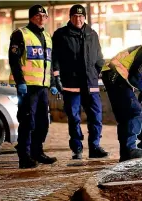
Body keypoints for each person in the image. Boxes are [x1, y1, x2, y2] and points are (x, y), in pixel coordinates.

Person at [52, 4, 108, 159]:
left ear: (85, 17)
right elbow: (54, 58)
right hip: (71, 83)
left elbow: (99, 57)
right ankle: (77, 148)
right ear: (70, 17)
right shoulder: (61, 35)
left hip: (91, 83)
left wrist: (98, 72)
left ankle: (94, 146)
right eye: (75, 16)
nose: (78, 19)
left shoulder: (92, 34)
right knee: (74, 117)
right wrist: (56, 77)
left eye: (81, 16)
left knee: (96, 116)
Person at [8, 5, 58, 168]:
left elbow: (48, 63)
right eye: (38, 15)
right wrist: (20, 81)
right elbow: (14, 60)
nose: (41, 17)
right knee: (28, 121)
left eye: (44, 15)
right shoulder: (20, 34)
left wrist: (52, 82)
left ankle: (37, 151)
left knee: (43, 122)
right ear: (31, 17)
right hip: (28, 87)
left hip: (42, 87)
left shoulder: (47, 36)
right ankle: (24, 156)